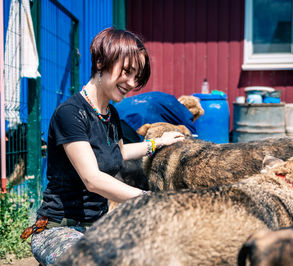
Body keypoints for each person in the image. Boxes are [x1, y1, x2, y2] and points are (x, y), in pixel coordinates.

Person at [29, 28, 185, 265]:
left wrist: (157, 143)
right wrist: (150, 199)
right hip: (58, 228)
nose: (132, 83)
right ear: (101, 60)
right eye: (127, 72)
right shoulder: (71, 114)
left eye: (137, 77)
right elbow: (93, 178)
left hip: (99, 226)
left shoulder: (110, 114)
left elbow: (119, 153)